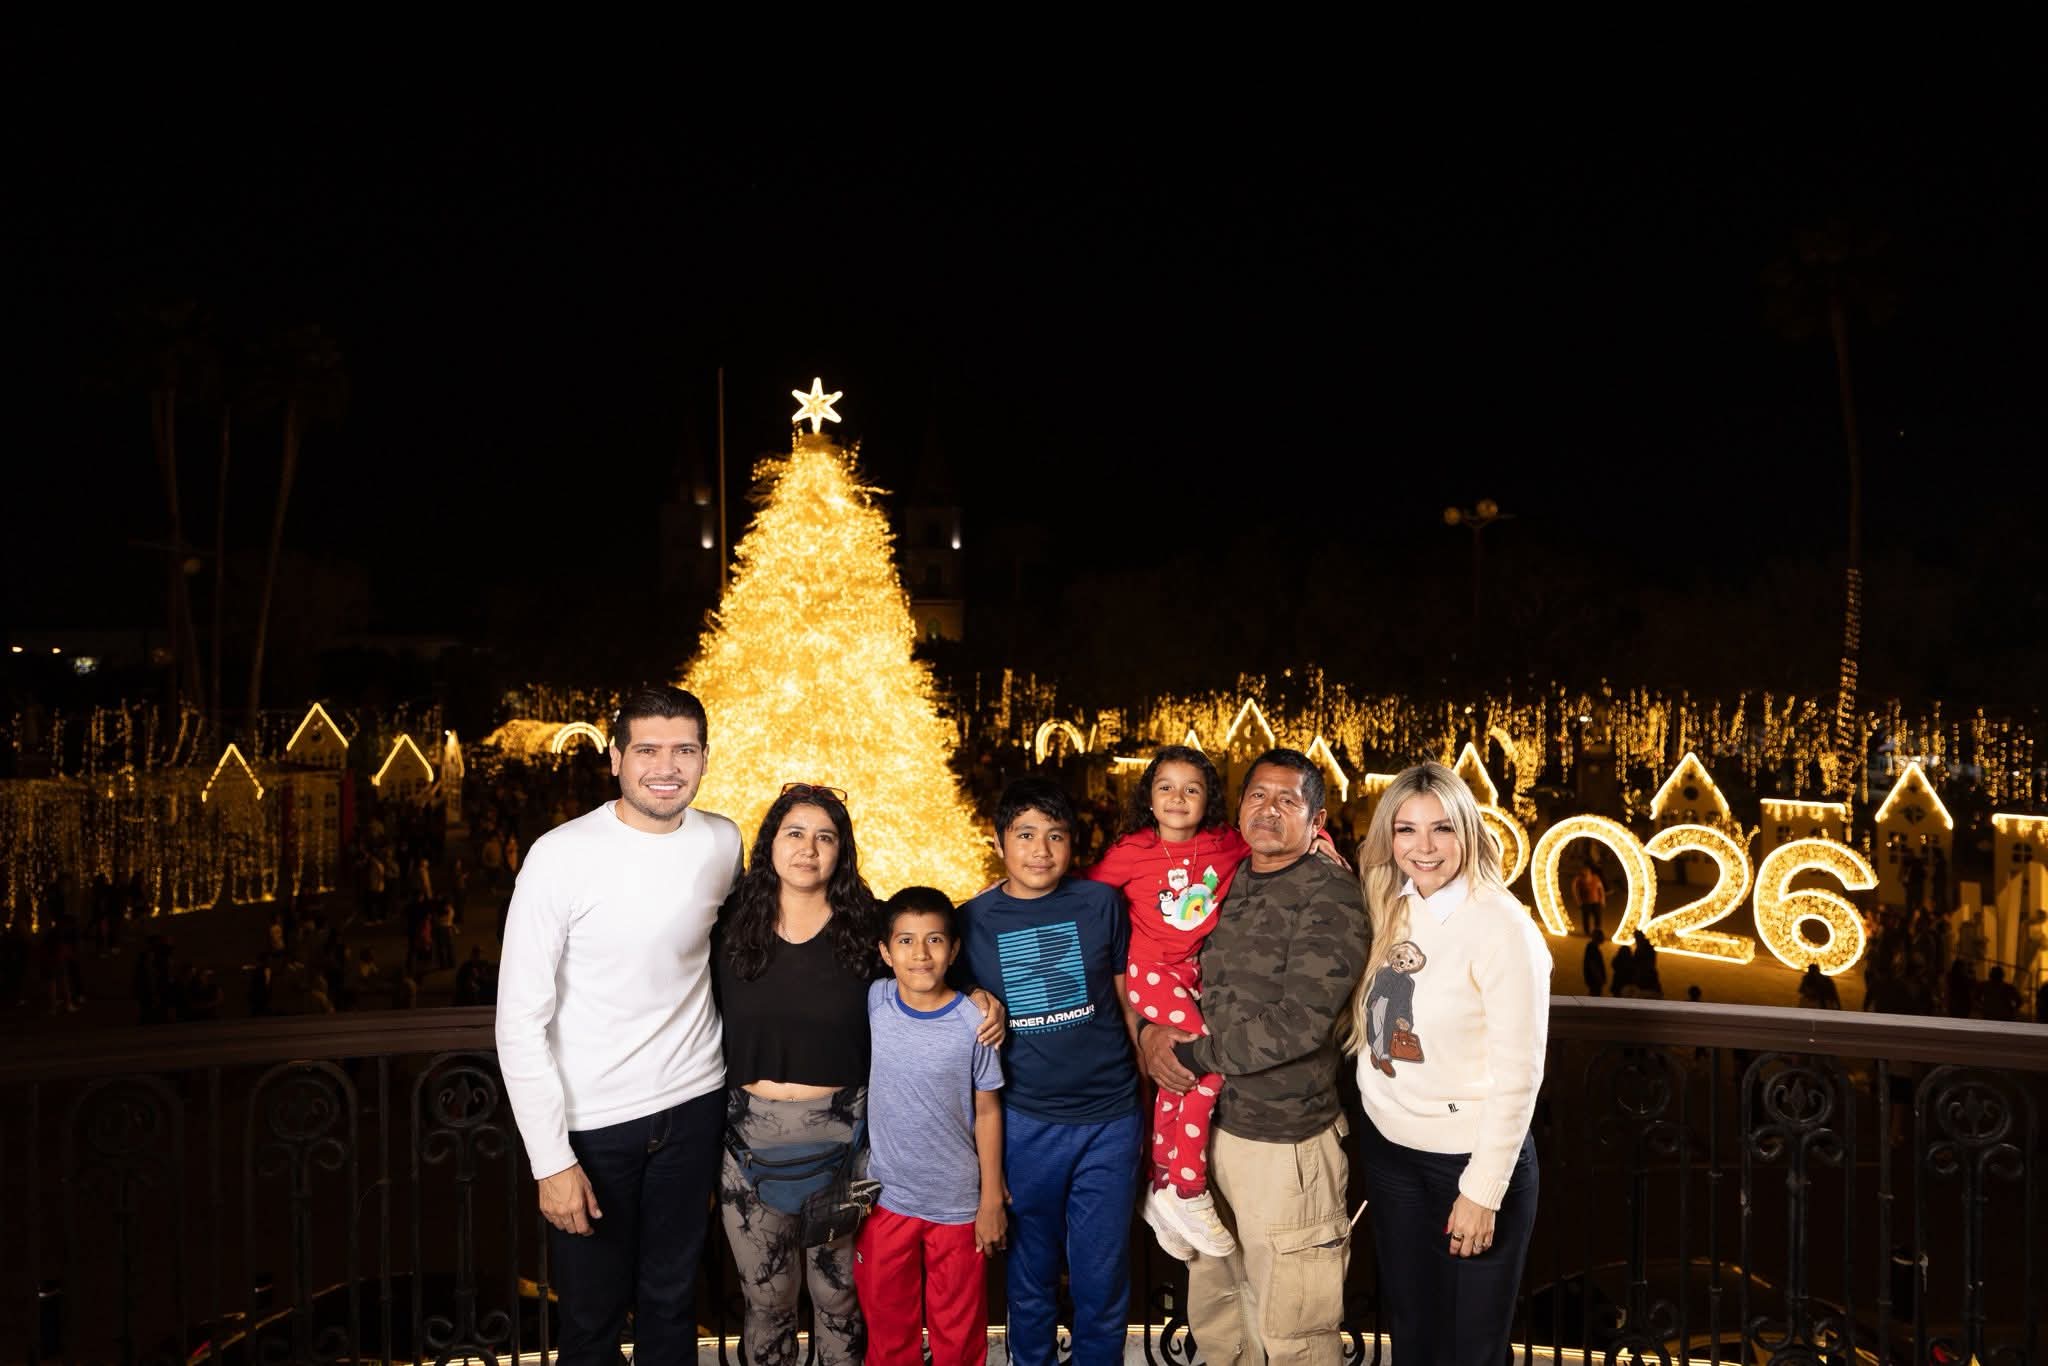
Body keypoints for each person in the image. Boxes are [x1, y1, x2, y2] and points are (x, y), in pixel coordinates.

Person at [496, 685, 742, 1366]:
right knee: (590, 1320)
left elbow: (753, 948)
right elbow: (519, 1019)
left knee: (673, 1305)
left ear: (704, 757)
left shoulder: (723, 841)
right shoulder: (560, 855)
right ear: (615, 758)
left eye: (684, 750)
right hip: (594, 1126)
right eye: (648, 750)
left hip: (695, 1106)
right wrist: (551, 1160)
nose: (667, 767)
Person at [1138, 748, 1369, 1366]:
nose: (1269, 810)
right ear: (1239, 808)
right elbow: (1169, 958)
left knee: (1294, 1330)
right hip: (1208, 1134)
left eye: (1288, 800)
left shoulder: (1329, 894)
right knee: (1219, 1318)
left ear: (1316, 819)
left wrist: (1192, 1054)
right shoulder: (1226, 876)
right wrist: (1151, 1031)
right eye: (1258, 796)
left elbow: (1299, 1022)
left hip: (1283, 1144)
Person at [1343, 761, 1550, 1365]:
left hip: (1468, 1160)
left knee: (1469, 1348)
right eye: (1406, 830)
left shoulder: (1503, 927)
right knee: (1413, 1334)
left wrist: (1483, 1191)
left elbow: (1520, 1075)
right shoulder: (1390, 903)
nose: (1424, 847)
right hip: (1390, 1153)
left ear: (1468, 831)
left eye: (1442, 828)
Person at [958, 777, 1141, 1366]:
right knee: (1029, 1274)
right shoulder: (970, 921)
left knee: (1101, 1276)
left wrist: (1146, 1097)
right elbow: (940, 992)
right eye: (1026, 835)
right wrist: (976, 995)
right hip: (1026, 1121)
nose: (1041, 850)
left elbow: (1128, 1004)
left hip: (1110, 1119)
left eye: (1055, 836)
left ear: (1072, 844)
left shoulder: (1101, 904)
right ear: (999, 842)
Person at [711, 784, 878, 1366]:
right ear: (771, 843)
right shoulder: (729, 925)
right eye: (795, 833)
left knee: (839, 1299)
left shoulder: (870, 927)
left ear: (841, 851)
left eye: (825, 837)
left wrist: (980, 995)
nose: (808, 849)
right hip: (747, 1142)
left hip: (847, 1142)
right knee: (766, 1299)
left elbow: (936, 962)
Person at [1084, 744, 1247, 1260]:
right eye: (1166, 787)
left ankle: (1160, 1185)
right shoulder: (1131, 850)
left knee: (1176, 1076)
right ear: (1149, 797)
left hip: (1193, 974)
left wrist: (1323, 841)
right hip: (1148, 973)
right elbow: (1083, 893)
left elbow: (1275, 838)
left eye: (1191, 789)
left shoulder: (1224, 843)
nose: (1178, 798)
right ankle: (1188, 1187)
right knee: (1207, 1064)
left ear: (1208, 798)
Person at [854, 887, 1006, 1366]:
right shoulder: (876, 1000)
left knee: (959, 1339)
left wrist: (990, 1199)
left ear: (954, 950)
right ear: (885, 952)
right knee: (888, 1337)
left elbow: (988, 1110)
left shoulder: (975, 1021)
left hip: (957, 1205)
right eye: (905, 941)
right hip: (887, 1200)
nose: (920, 954)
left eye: (935, 940)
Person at [1572, 858, 1606, 939]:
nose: (1586, 874)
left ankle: (1597, 932)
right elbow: (1575, 891)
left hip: (1596, 902)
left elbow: (1601, 889)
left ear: (1590, 872)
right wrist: (1578, 901)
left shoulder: (1595, 878)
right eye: (1584, 873)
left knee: (1598, 917)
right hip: (1585, 902)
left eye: (1587, 872)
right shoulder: (1579, 880)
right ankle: (1587, 932)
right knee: (1586, 918)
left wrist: (1602, 899)